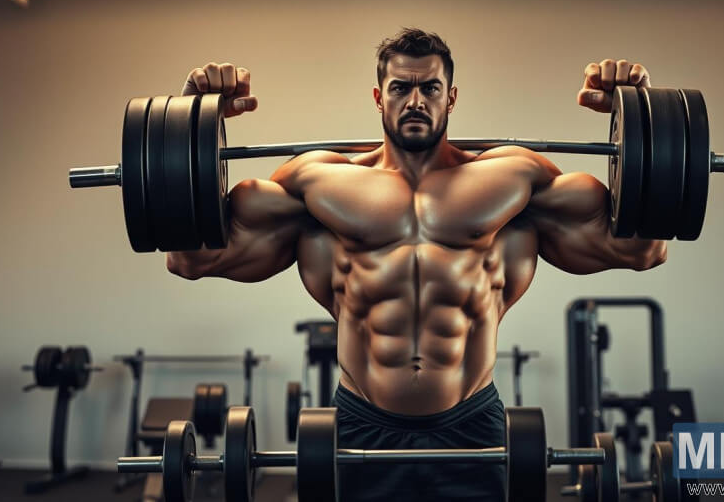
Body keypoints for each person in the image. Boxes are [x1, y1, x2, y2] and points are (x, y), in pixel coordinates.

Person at [167, 28, 665, 501]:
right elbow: (189, 258)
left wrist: (644, 122)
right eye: (401, 87)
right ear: (379, 97)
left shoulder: (513, 180)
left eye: (430, 87)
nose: (416, 100)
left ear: (450, 97)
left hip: (473, 424)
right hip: (361, 425)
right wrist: (188, 124)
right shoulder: (317, 184)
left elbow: (642, 250)